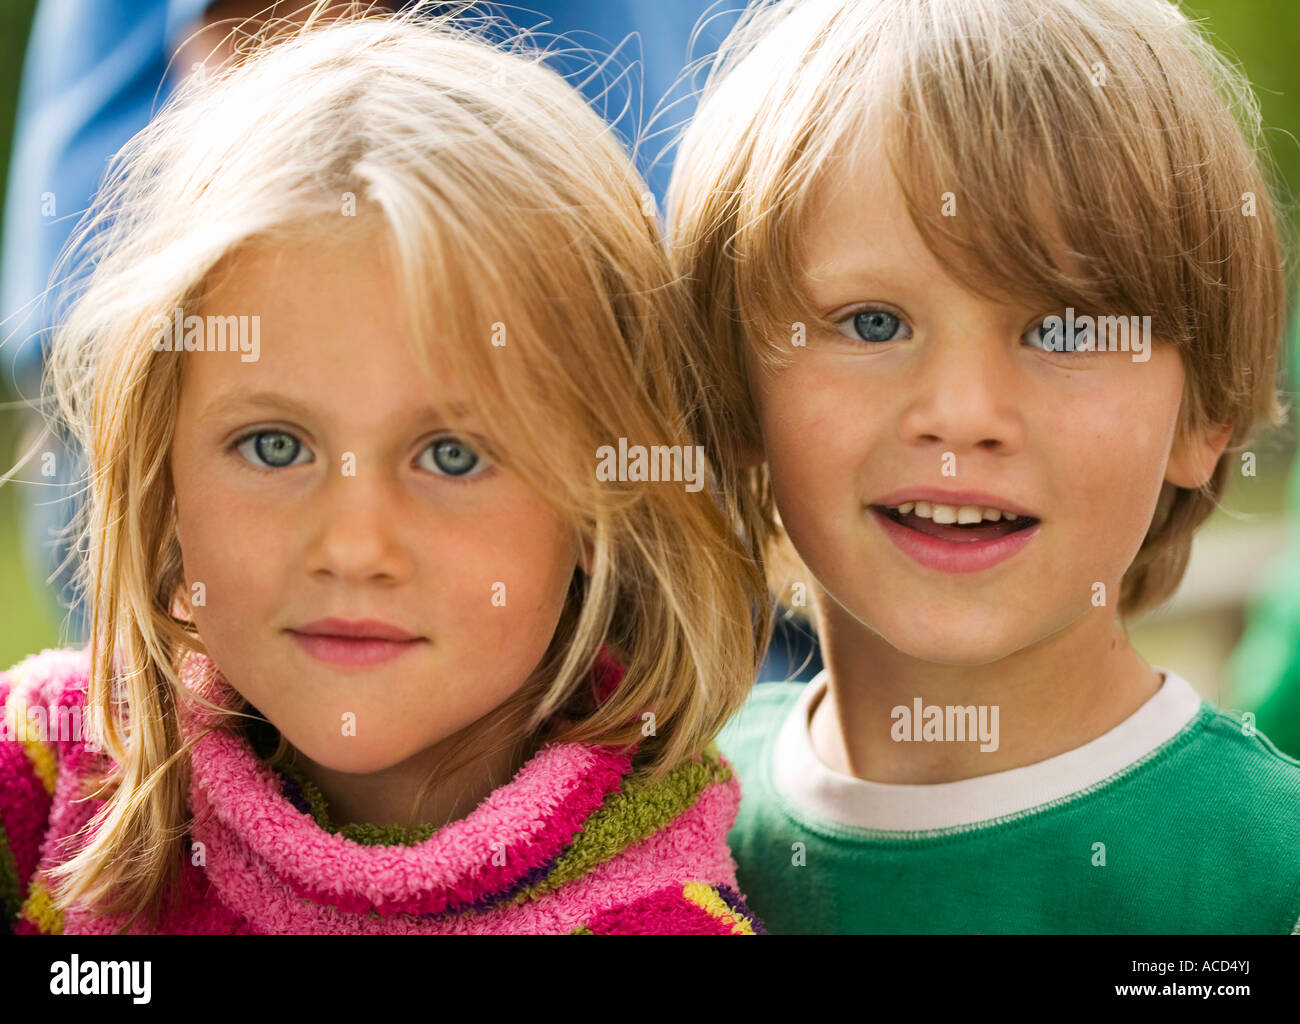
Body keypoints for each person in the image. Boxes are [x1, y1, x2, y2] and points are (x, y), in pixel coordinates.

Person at [0, 5, 768, 934]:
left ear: (603, 507)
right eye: (275, 446)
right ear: (160, 483)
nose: (353, 546)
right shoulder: (61, 757)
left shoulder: (653, 919)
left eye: (451, 456)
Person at [668, 0, 1300, 933]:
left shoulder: (1264, 876)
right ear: (736, 387)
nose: (963, 414)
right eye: (872, 323)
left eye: (1065, 329)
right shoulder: (656, 834)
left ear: (1204, 411)